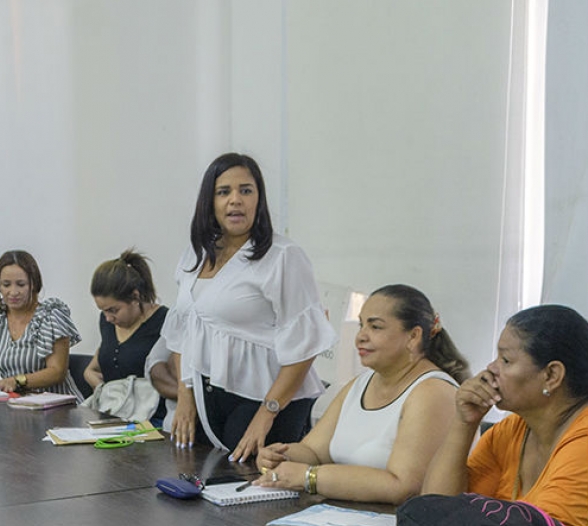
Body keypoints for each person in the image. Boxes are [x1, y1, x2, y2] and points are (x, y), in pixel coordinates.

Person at [163, 153, 336, 461]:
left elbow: (304, 346)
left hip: (267, 400)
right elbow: (182, 334)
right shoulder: (194, 255)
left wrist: (265, 415)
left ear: (259, 198)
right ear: (210, 201)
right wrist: (185, 394)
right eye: (224, 192)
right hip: (206, 394)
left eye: (246, 190)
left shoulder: (283, 256)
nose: (235, 201)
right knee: (197, 483)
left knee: (250, 488)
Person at [253, 284, 468, 504]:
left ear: (413, 336)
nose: (360, 337)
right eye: (361, 325)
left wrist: (310, 477)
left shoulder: (433, 392)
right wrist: (280, 457)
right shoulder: (361, 383)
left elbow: (404, 486)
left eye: (375, 327)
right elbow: (313, 451)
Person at [423, 305, 588, 526]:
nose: (491, 368)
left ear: (552, 375)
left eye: (506, 360)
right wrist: (464, 423)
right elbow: (435, 510)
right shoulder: (511, 430)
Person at [0, 250, 82, 398]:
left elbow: (57, 372)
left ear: (33, 284)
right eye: (6, 285)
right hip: (16, 404)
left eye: (21, 284)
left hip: (58, 407)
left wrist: (18, 381)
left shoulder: (50, 316)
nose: (13, 292)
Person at [82, 249, 177, 425]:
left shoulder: (165, 321)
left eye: (113, 310)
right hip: (113, 415)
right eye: (103, 311)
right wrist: (97, 384)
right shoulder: (107, 322)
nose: (109, 318)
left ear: (135, 296)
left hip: (152, 419)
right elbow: (93, 368)